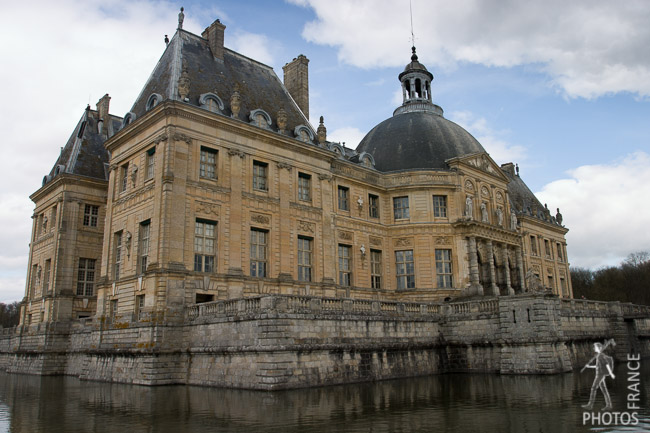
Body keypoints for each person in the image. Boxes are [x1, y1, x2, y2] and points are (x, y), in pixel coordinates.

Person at [582, 341, 615, 410]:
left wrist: (611, 373)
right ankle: (609, 405)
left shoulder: (600, 356)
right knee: (604, 390)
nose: (594, 348)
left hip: (600, 375)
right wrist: (589, 366)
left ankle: (590, 405)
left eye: (595, 347)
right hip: (599, 374)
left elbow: (606, 364)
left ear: (599, 348)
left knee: (593, 388)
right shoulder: (599, 356)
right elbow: (597, 366)